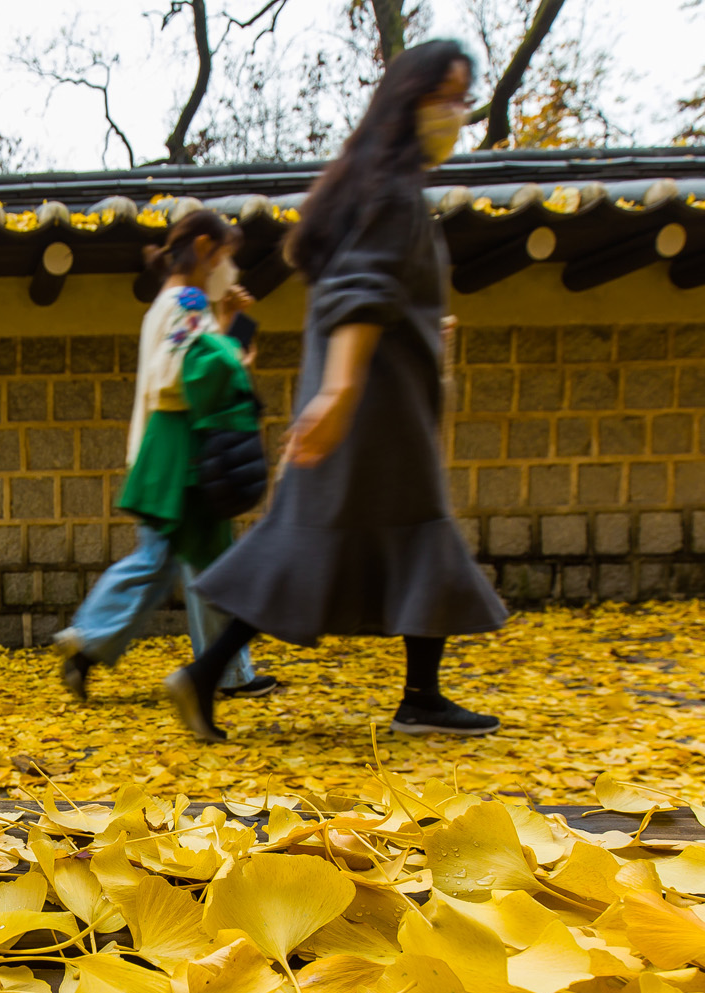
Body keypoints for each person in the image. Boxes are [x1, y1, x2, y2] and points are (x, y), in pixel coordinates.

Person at [163, 39, 506, 742]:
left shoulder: (365, 188)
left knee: (318, 542)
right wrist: (344, 390)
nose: (457, 113)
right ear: (407, 102)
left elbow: (370, 291)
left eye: (463, 99)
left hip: (376, 402)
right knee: (408, 536)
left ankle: (207, 676)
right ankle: (419, 697)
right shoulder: (392, 193)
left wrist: (418, 327)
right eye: (447, 97)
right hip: (377, 414)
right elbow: (360, 291)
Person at [54, 210, 278, 704]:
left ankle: (92, 644)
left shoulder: (171, 304)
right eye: (225, 257)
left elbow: (189, 356)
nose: (230, 270)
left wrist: (224, 328)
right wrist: (234, 338)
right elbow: (183, 374)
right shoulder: (190, 299)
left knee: (180, 563)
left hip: (167, 457)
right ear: (204, 249)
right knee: (193, 563)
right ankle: (94, 640)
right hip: (181, 460)